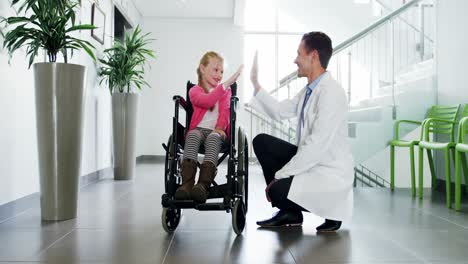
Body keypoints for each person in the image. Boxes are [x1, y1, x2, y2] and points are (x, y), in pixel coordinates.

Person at [249, 32, 354, 232]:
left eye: (299, 54)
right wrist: (255, 84)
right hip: (313, 164)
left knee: (278, 190)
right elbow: (280, 111)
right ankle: (290, 213)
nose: (295, 60)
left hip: (329, 174)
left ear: (313, 56)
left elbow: (316, 146)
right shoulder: (310, 90)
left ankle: (328, 211)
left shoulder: (331, 93)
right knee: (262, 142)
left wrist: (280, 176)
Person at [175, 51, 243, 203]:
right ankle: (186, 185)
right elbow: (207, 101)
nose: (219, 75)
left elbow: (225, 111)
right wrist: (226, 84)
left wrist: (219, 128)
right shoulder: (194, 91)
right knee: (192, 135)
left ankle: (203, 186)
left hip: (217, 132)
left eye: (222, 71)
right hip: (198, 130)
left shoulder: (226, 93)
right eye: (215, 70)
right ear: (203, 69)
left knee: (213, 137)